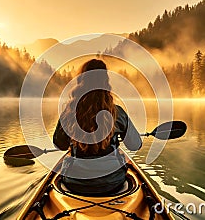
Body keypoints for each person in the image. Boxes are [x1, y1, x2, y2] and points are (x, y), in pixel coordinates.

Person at [53, 59, 142, 195]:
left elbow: (60, 145)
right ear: (105, 82)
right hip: (112, 182)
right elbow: (135, 145)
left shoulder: (70, 112)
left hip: (74, 182)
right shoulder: (117, 113)